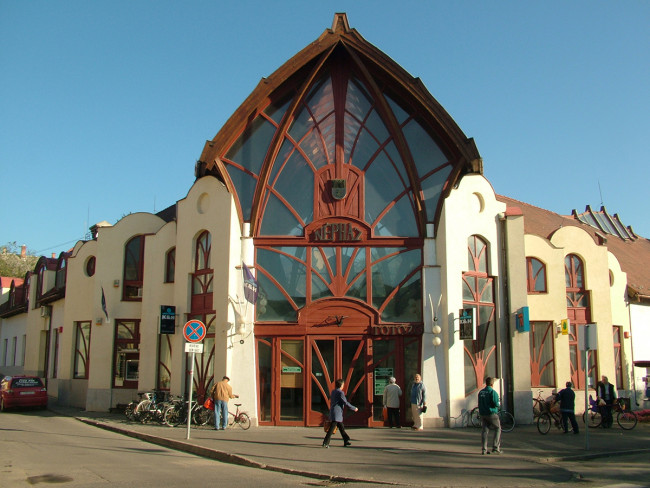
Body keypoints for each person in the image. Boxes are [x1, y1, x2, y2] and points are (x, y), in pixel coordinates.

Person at [322, 379, 358, 448]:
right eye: (343, 384)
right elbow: (345, 402)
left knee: (341, 427)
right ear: (341, 385)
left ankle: (346, 440)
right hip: (337, 413)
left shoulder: (333, 391)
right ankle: (325, 442)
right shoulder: (340, 393)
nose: (343, 385)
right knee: (331, 428)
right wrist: (354, 408)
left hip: (334, 411)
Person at [478, 377, 501, 455]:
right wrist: (497, 405)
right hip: (491, 413)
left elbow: (479, 403)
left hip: (483, 413)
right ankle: (495, 448)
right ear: (492, 384)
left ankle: (484, 449)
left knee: (485, 430)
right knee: (498, 428)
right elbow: (496, 403)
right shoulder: (492, 392)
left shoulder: (481, 392)